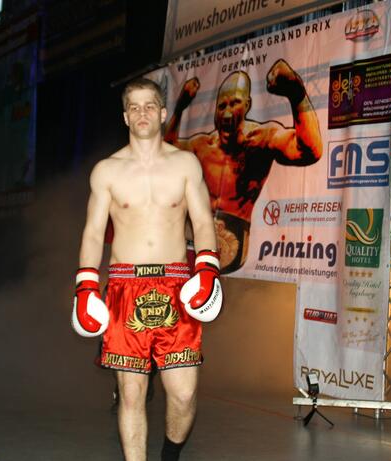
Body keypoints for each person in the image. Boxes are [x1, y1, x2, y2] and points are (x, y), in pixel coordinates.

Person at [72, 78, 223, 461]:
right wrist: (86, 285)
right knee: (131, 393)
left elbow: (202, 222)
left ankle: (170, 455)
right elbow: (93, 233)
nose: (142, 113)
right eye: (134, 107)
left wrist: (207, 267)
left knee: (184, 393)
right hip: (125, 287)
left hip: (177, 285)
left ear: (163, 112)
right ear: (125, 116)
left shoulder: (185, 164)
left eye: (149, 105)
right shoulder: (107, 171)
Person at [165, 59, 323, 273]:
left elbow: (310, 151)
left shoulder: (262, 139)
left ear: (247, 105)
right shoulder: (202, 146)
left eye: (235, 103)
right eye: (222, 106)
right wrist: (180, 107)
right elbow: (167, 153)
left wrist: (297, 94)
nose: (227, 113)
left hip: (236, 252)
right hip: (195, 247)